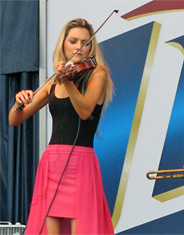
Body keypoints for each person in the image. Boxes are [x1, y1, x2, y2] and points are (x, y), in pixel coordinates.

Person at [9, 18, 114, 234]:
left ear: (91, 46)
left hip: (81, 162)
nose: (78, 47)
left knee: (82, 228)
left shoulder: (97, 73)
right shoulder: (53, 81)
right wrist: (18, 103)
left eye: (85, 43)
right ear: (63, 44)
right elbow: (15, 119)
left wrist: (66, 80)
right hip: (53, 162)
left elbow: (84, 111)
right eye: (73, 41)